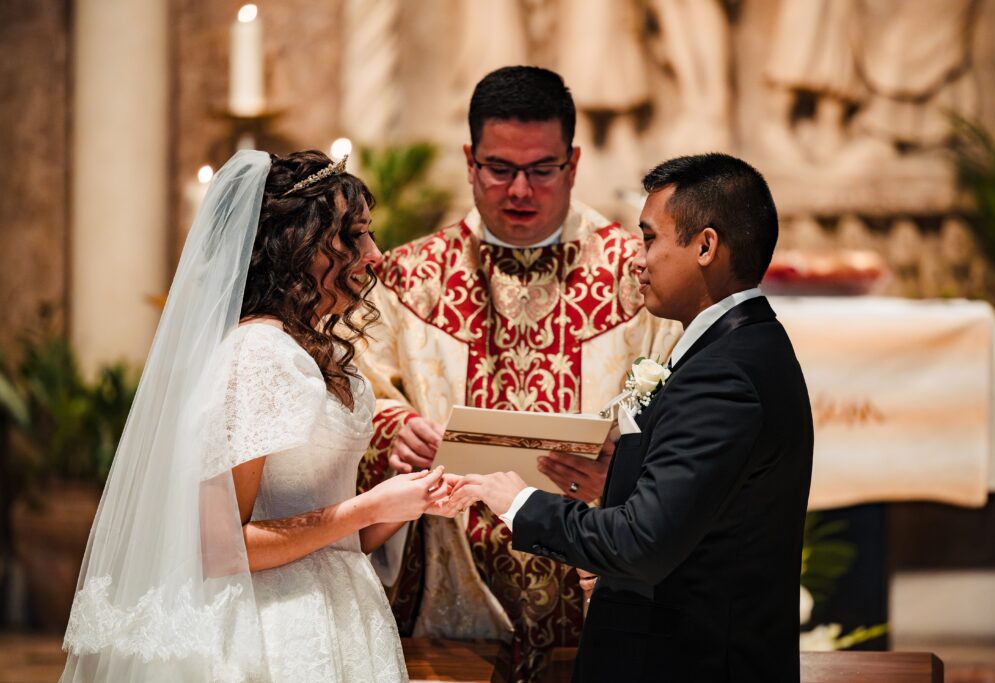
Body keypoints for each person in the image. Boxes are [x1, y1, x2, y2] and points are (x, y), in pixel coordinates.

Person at [61, 150, 457, 681]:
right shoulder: (260, 354)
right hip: (274, 627)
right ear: (298, 246)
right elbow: (220, 548)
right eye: (354, 236)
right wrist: (367, 508)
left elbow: (338, 538)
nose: (374, 254)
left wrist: (405, 500)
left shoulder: (318, 350)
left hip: (342, 612)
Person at [359, 66, 680, 680]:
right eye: (500, 169)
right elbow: (357, 394)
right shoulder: (407, 277)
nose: (520, 191)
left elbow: (682, 413)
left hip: (594, 578)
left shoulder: (638, 276)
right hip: (451, 594)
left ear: (574, 164)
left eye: (542, 170)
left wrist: (628, 463)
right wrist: (392, 431)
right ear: (470, 162)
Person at [450, 153, 814, 681]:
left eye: (649, 239)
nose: (637, 262)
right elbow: (704, 517)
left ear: (706, 246)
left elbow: (642, 544)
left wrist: (518, 502)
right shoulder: (742, 348)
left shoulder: (723, 374)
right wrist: (620, 480)